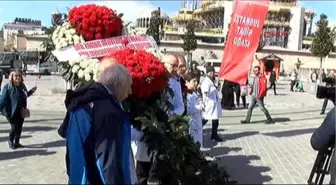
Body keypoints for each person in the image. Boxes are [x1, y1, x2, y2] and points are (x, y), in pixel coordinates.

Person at [57, 64, 137, 184]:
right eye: (128, 86)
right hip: (96, 177)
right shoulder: (108, 110)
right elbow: (108, 157)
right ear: (117, 85)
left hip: (79, 174)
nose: (129, 92)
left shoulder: (82, 101)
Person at [132, 54, 185, 185]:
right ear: (163, 63)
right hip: (146, 133)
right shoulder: (150, 79)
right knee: (143, 170)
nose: (175, 69)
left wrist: (168, 116)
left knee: (160, 171)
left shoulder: (175, 82)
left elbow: (180, 106)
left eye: (176, 66)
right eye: (173, 65)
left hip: (165, 131)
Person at [0, 71, 36, 149]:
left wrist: (31, 91)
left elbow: (25, 95)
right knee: (14, 127)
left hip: (20, 110)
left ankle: (17, 142)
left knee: (19, 127)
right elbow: (2, 100)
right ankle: (10, 141)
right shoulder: (8, 86)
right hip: (10, 111)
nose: (18, 77)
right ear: (11, 77)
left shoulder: (22, 86)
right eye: (15, 76)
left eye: (19, 76)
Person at [201, 65, 223, 142]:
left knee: (215, 120)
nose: (211, 74)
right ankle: (197, 128)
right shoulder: (206, 81)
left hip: (214, 103)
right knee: (206, 119)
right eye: (210, 72)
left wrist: (218, 86)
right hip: (209, 103)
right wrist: (215, 87)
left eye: (212, 72)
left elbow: (216, 90)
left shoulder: (212, 80)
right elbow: (206, 92)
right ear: (207, 73)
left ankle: (214, 135)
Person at [184, 72, 203, 147]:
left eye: (197, 81)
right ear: (187, 82)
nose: (196, 83)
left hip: (197, 121)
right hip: (192, 123)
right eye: (194, 81)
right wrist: (200, 107)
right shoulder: (187, 94)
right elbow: (189, 110)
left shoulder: (193, 92)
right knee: (194, 143)